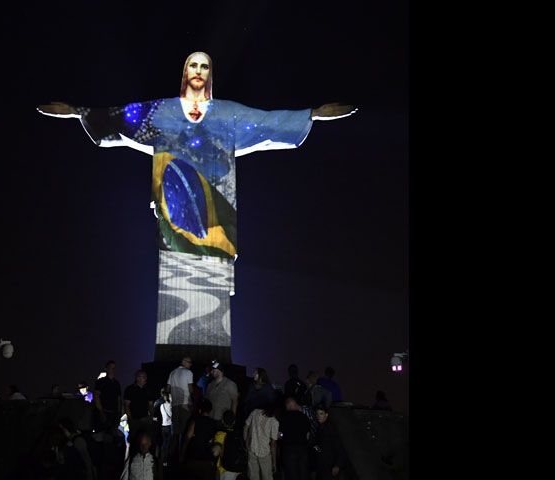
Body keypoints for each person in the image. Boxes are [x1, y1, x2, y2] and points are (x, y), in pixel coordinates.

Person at [37, 52, 357, 362]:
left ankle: (211, 351)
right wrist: (79, 111)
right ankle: (175, 350)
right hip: (175, 219)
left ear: (210, 74)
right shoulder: (162, 111)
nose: (199, 71)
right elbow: (120, 117)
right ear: (184, 71)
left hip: (215, 217)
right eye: (193, 65)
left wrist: (310, 115)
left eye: (205, 66)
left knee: (211, 290)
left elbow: (267, 121)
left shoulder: (227, 114)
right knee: (178, 287)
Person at [313, 404, 347, 480]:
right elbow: (318, 446)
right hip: (322, 466)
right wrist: (316, 448)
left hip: (330, 466)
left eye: (321, 413)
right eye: (317, 414)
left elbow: (339, 447)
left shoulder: (330, 428)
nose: (319, 416)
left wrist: (337, 465)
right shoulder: (320, 428)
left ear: (326, 415)